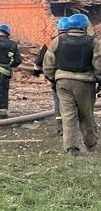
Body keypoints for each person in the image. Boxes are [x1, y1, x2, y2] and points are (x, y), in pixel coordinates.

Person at [44, 12, 101, 157]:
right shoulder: (93, 42)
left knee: (68, 115)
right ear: (84, 26)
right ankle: (91, 145)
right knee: (86, 114)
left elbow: (48, 64)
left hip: (62, 83)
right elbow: (98, 64)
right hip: (85, 83)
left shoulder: (57, 41)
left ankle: (71, 148)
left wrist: (53, 79)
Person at [32, 17, 70, 134]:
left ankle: (60, 127)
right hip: (79, 78)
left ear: (59, 29)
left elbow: (39, 60)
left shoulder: (50, 42)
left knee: (58, 100)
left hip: (57, 78)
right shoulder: (81, 41)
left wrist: (38, 72)